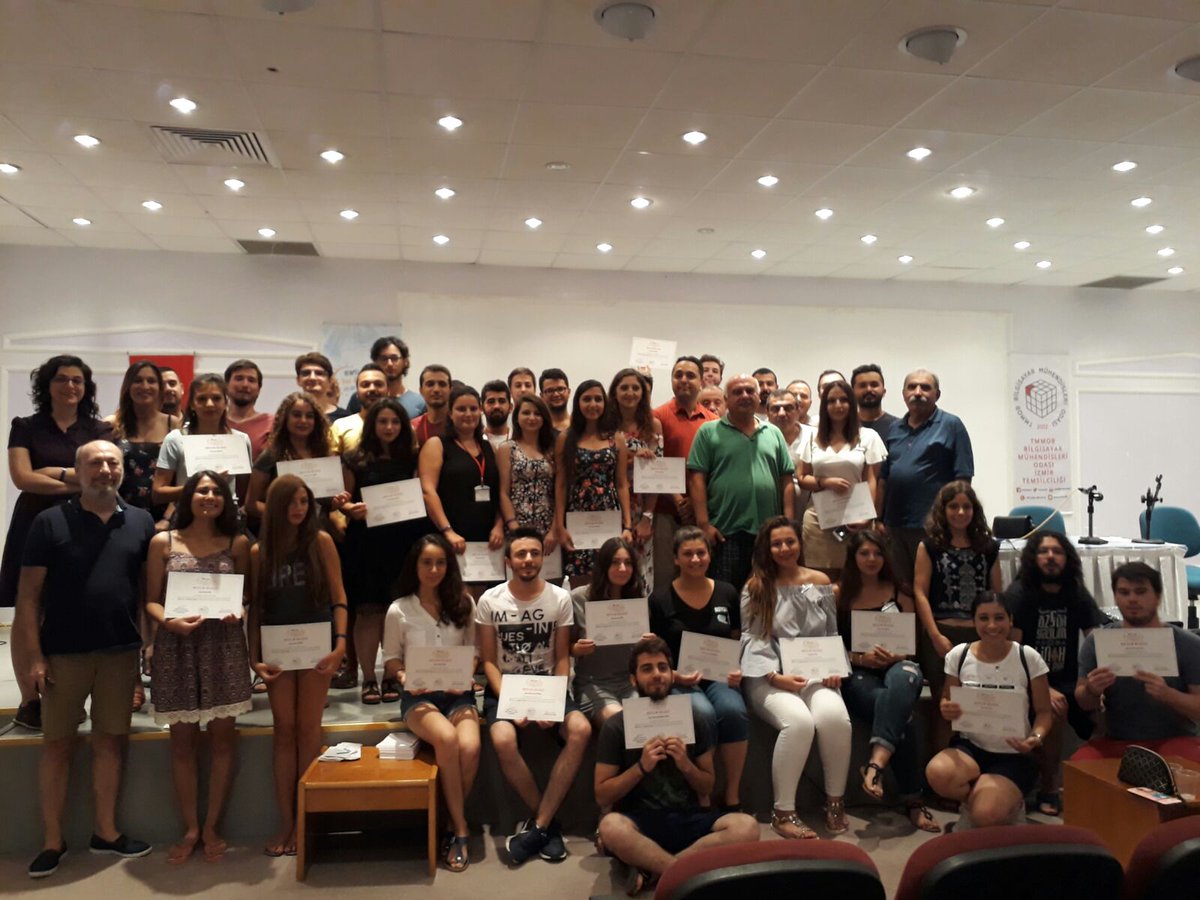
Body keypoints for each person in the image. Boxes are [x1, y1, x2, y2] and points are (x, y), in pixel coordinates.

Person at [12, 440, 156, 878]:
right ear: (78, 470)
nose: (106, 470)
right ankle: (52, 841)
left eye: (113, 462)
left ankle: (105, 832)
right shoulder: (49, 522)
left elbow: (145, 594)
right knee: (57, 746)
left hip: (119, 654)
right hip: (62, 654)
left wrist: (146, 648)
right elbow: (28, 598)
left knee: (111, 742)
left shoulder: (142, 521)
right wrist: (34, 659)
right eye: (95, 463)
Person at [595, 636, 760, 897]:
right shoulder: (616, 726)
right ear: (633, 680)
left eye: (662, 667)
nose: (656, 674)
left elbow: (707, 785)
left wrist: (686, 765)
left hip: (690, 820)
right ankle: (684, 872)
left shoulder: (695, 719)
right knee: (610, 827)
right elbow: (602, 795)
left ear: (672, 675)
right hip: (640, 823)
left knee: (747, 827)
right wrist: (641, 767)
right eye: (647, 669)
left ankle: (654, 868)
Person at [144, 472, 252, 863]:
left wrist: (239, 612)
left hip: (224, 647)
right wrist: (168, 622)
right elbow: (151, 600)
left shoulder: (237, 543)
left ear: (226, 500)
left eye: (216, 491)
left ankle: (212, 827)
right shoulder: (163, 542)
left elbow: (245, 597)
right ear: (189, 496)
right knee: (182, 743)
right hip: (177, 647)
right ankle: (190, 827)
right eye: (202, 490)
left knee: (223, 740)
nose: (209, 496)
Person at [3, 356, 113, 729]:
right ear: (47, 385)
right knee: (29, 610)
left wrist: (51, 473)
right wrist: (73, 478)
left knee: (74, 609)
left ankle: (69, 698)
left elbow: (105, 479)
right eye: (62, 379)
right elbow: (22, 478)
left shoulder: (99, 430)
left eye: (77, 380)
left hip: (84, 525)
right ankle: (29, 700)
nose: (70, 386)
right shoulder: (25, 426)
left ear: (86, 387)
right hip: (33, 525)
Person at [476, 528, 591, 865]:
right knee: (502, 738)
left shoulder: (560, 598)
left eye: (535, 553)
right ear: (508, 560)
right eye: (521, 554)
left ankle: (538, 826)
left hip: (548, 687)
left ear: (543, 556)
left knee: (581, 729)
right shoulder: (490, 600)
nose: (528, 560)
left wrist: (552, 704)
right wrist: (511, 703)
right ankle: (547, 824)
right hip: (505, 688)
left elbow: (561, 658)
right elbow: (488, 662)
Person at [248, 475, 348, 857]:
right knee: (284, 731)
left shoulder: (321, 542)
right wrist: (254, 658)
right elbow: (256, 609)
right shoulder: (260, 551)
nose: (299, 508)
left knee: (309, 730)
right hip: (278, 652)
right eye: (291, 502)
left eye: (304, 501)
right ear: (276, 506)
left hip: (316, 648)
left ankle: (307, 820)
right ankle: (286, 822)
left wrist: (340, 646)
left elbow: (339, 597)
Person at [740, 516, 851, 838]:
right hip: (767, 676)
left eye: (790, 541)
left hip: (815, 675)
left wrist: (834, 668)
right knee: (799, 723)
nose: (784, 548)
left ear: (799, 544)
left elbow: (830, 633)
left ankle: (835, 802)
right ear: (767, 548)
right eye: (776, 544)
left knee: (834, 718)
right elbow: (752, 639)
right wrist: (776, 677)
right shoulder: (756, 587)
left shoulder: (820, 581)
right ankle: (783, 813)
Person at [381, 535, 480, 871]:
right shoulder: (399, 609)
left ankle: (446, 822)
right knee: (447, 738)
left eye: (441, 562)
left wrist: (466, 673)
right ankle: (461, 828)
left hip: (458, 694)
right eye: (427, 562)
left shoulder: (464, 603)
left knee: (471, 746)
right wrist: (404, 676)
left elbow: (474, 651)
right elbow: (391, 658)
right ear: (415, 565)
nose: (434, 569)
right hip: (419, 696)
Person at [836, 531, 939, 833]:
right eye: (864, 553)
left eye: (878, 553)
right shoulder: (839, 594)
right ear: (853, 557)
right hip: (857, 671)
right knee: (900, 712)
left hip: (898, 666)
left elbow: (911, 646)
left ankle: (875, 766)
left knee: (905, 677)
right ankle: (914, 800)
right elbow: (830, 645)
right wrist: (860, 659)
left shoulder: (901, 592)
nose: (872, 559)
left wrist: (897, 655)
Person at [926, 592, 1054, 828]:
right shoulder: (959, 655)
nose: (992, 625)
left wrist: (1035, 738)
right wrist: (946, 708)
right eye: (984, 618)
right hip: (971, 747)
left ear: (1010, 620)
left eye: (999, 617)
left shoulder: (1028, 657)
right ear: (974, 621)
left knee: (986, 814)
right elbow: (947, 700)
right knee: (937, 773)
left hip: (1015, 753)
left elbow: (1045, 712)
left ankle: (1000, 805)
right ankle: (981, 801)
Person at [1005, 532, 1106, 814]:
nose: (1050, 557)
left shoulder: (1075, 591)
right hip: (1027, 681)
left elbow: (1097, 640)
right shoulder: (1019, 593)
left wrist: (1101, 684)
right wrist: (1042, 688)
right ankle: (1049, 788)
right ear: (1033, 558)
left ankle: (1103, 781)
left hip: (1069, 680)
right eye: (1043, 551)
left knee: (1108, 707)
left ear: (1067, 558)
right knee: (1054, 707)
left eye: (1057, 552)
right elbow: (1013, 653)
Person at [648, 526, 747, 812]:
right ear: (675, 558)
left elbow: (737, 638)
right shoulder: (660, 598)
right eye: (687, 554)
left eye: (701, 553)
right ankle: (702, 792)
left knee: (733, 711)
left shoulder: (727, 592)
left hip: (719, 677)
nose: (695, 559)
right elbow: (654, 652)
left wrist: (736, 667)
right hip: (678, 679)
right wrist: (674, 676)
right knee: (702, 712)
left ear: (710, 555)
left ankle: (732, 796)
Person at [1073, 562, 1200, 765]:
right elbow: (1083, 701)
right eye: (1124, 592)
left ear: (1158, 597)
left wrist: (1168, 695)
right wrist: (1092, 690)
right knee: (1080, 767)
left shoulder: (1188, 644)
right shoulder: (1098, 641)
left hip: (1175, 739)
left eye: (1141, 592)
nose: (1132, 599)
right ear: (1115, 597)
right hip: (1115, 741)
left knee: (1189, 767)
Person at [341, 397, 421, 703]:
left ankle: (392, 675)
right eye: (382, 421)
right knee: (368, 612)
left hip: (403, 543)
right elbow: (344, 501)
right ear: (372, 425)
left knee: (397, 611)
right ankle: (369, 679)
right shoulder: (354, 458)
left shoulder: (412, 457)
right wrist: (351, 509)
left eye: (395, 421)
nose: (389, 427)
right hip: (366, 544)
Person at [687, 374, 795, 593]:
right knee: (726, 594)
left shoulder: (773, 432)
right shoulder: (708, 431)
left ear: (758, 397)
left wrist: (788, 523)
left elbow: (786, 479)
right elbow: (696, 479)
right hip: (725, 531)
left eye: (750, 391)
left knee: (767, 594)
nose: (745, 395)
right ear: (726, 399)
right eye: (737, 392)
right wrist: (704, 524)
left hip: (769, 533)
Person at [913, 480, 1002, 739]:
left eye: (966, 506)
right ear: (943, 509)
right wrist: (934, 635)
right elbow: (920, 592)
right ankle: (941, 760)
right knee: (946, 706)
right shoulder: (929, 546)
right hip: (942, 634)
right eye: (953, 506)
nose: (961, 512)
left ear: (975, 510)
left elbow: (997, 595)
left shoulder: (988, 547)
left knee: (981, 703)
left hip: (980, 635)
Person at [879, 368, 974, 584]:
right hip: (894, 526)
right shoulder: (894, 429)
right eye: (912, 387)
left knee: (933, 587)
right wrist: (879, 519)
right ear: (903, 394)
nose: (918, 392)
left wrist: (956, 521)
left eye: (925, 387)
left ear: (937, 394)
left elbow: (963, 480)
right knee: (901, 587)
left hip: (934, 526)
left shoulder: (951, 425)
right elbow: (884, 478)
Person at [797, 380, 886, 578]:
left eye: (843, 400)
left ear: (852, 403)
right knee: (818, 582)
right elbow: (801, 477)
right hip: (819, 519)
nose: (838, 405)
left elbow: (872, 480)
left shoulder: (868, 436)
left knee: (856, 579)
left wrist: (866, 517)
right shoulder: (812, 437)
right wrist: (824, 482)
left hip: (856, 519)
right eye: (831, 401)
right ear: (824, 405)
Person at [555, 379, 633, 582]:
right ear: (578, 403)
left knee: (610, 577)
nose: (593, 404)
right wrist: (560, 525)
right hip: (577, 518)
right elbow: (561, 484)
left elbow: (622, 484)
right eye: (587, 399)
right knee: (580, 581)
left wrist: (627, 525)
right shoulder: (566, 438)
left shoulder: (616, 438)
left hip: (609, 516)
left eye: (598, 399)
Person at [419, 384, 504, 564]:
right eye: (461, 409)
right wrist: (447, 530)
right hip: (451, 537)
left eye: (473, 408)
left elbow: (499, 492)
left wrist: (499, 525)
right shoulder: (436, 444)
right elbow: (428, 491)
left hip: (488, 538)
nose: (468, 414)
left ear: (480, 411)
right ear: (450, 413)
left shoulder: (489, 447)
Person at [651, 356, 716, 591]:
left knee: (699, 573)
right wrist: (678, 500)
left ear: (701, 381)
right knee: (665, 574)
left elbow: (715, 468)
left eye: (690, 375)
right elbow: (654, 464)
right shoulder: (657, 416)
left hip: (702, 513)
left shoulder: (713, 421)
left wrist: (695, 503)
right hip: (666, 510)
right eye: (678, 375)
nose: (684, 380)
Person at [571, 537, 647, 724]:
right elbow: (565, 649)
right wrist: (577, 649)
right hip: (593, 683)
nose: (622, 568)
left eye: (628, 563)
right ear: (603, 565)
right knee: (622, 722)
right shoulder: (579, 598)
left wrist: (648, 643)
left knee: (644, 722)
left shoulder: (637, 598)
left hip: (630, 682)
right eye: (615, 562)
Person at [153, 373, 253, 508]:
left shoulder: (240, 440)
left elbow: (243, 494)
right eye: (201, 399)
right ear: (192, 404)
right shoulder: (175, 439)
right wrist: (198, 485)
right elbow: (158, 494)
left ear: (226, 402)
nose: (209, 404)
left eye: (216, 398)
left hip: (228, 515)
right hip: (188, 514)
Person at [108, 360, 180, 530]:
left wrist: (167, 519)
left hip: (165, 520)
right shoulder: (112, 425)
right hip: (119, 517)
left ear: (159, 387)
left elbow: (182, 477)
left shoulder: (173, 424)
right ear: (128, 386)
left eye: (151, 381)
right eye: (138, 380)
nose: (145, 386)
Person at [245, 391, 338, 522]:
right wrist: (287, 515)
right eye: (296, 415)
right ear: (285, 418)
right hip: (282, 531)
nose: (303, 420)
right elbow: (251, 505)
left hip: (319, 529)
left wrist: (338, 503)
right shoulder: (271, 456)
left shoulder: (324, 455)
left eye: (309, 416)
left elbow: (327, 505)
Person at [611, 368, 662, 587]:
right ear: (614, 392)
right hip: (610, 505)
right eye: (624, 387)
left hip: (641, 507)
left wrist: (647, 518)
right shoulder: (605, 426)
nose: (630, 392)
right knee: (611, 568)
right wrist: (632, 461)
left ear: (643, 393)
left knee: (638, 573)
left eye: (635, 388)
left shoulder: (653, 425)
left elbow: (657, 476)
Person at [498, 393, 557, 551]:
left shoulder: (553, 450)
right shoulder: (507, 448)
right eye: (526, 413)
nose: (532, 417)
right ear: (517, 417)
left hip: (548, 529)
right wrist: (513, 526)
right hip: (516, 526)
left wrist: (554, 530)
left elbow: (559, 492)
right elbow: (503, 492)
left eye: (537, 413)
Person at [347, 336, 425, 420]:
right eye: (383, 359)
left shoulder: (419, 402)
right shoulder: (361, 398)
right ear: (375, 362)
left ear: (405, 361)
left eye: (394, 358)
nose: (389, 364)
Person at [331, 364, 388, 454]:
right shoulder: (340, 426)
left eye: (378, 384)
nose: (372, 389)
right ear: (357, 393)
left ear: (388, 391)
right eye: (365, 385)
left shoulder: (400, 426)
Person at [224, 359, 273, 459]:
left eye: (251, 380)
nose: (245, 385)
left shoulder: (272, 423)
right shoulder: (212, 422)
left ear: (259, 389)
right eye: (239, 379)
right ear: (226, 385)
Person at [294, 351, 349, 421]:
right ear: (298, 380)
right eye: (306, 373)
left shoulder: (345, 418)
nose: (312, 377)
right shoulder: (288, 416)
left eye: (319, 373)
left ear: (330, 380)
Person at [851, 364, 898, 437]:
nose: (869, 389)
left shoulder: (897, 427)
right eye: (862, 385)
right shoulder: (845, 426)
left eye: (874, 385)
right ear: (852, 392)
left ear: (884, 391)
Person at [411, 364, 452, 446]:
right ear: (421, 390)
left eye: (442, 384)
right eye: (430, 384)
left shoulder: (459, 424)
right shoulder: (412, 428)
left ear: (450, 390)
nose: (436, 389)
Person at [482, 379, 513, 449]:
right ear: (481, 408)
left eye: (502, 401)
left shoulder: (519, 440)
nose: (496, 406)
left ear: (510, 407)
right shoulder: (476, 441)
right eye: (491, 401)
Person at [539, 367, 572, 433]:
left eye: (560, 389)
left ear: (569, 392)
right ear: (541, 396)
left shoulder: (581, 425)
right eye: (550, 391)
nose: (556, 394)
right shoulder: (538, 428)